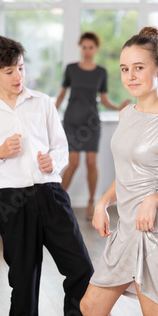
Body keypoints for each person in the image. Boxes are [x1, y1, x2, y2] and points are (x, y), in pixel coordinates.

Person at [0, 36, 94, 316]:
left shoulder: (43, 102)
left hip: (51, 195)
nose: (18, 76)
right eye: (9, 72)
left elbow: (61, 149)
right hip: (13, 202)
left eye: (20, 68)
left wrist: (52, 162)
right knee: (23, 282)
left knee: (82, 269)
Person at [79, 27, 158, 316]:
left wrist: (155, 199)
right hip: (127, 225)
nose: (130, 76)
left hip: (155, 230)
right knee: (90, 307)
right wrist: (103, 202)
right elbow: (129, 174)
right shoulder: (126, 114)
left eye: (139, 68)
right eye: (124, 68)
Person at [55, 32, 130, 220]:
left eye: (91, 47)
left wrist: (118, 107)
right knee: (73, 163)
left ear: (96, 49)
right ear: (81, 48)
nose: (87, 51)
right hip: (72, 120)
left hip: (91, 122)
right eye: (84, 47)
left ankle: (91, 203)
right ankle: (56, 201)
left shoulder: (101, 72)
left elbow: (103, 99)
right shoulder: (71, 69)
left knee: (90, 163)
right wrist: (50, 114)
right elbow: (62, 95)